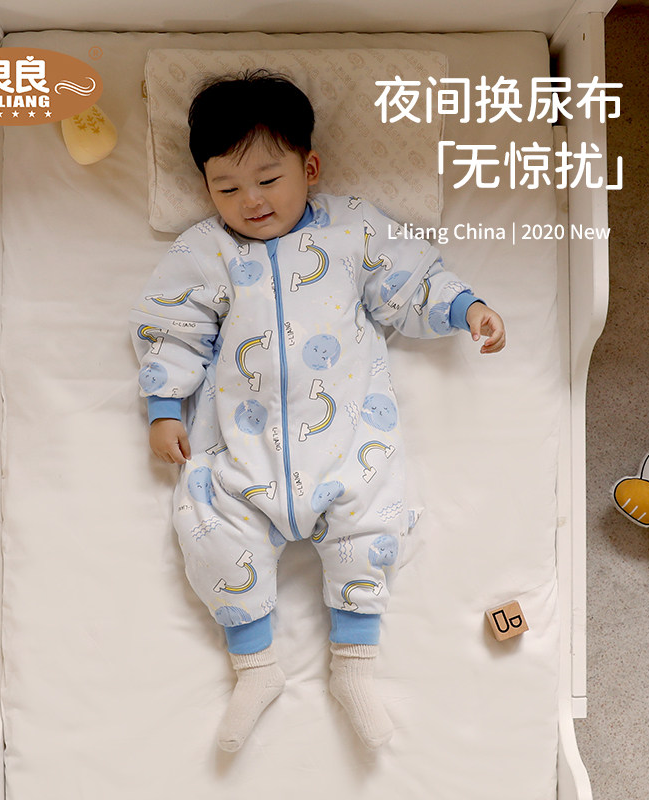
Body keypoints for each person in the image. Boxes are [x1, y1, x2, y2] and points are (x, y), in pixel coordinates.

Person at [129, 69, 505, 752]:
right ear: (206, 188)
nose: (251, 201)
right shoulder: (206, 251)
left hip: (348, 441)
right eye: (226, 188)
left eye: (269, 180)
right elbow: (172, 325)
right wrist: (164, 407)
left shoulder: (351, 230)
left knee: (373, 521)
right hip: (243, 448)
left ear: (310, 168)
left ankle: (353, 668)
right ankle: (256, 668)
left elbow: (409, 278)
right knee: (208, 527)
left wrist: (465, 308)